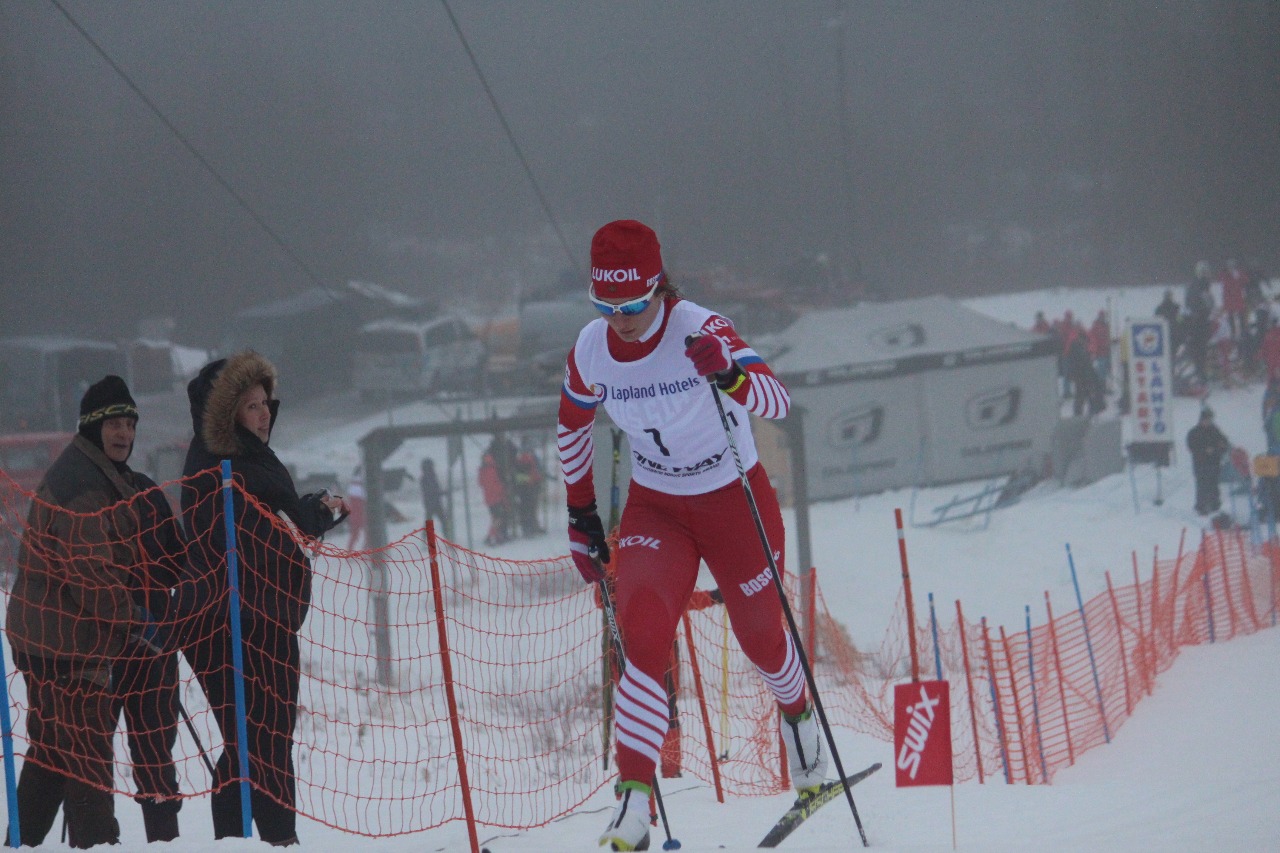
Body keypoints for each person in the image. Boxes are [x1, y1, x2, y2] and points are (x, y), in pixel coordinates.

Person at [559, 220, 827, 851]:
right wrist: (581, 515)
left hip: (733, 497)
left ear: (659, 288)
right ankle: (633, 802)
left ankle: (799, 719)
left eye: (633, 305)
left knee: (762, 635)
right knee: (644, 634)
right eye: (607, 306)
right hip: (658, 507)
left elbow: (779, 403)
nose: (621, 320)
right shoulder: (592, 349)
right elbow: (571, 427)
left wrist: (730, 373)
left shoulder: (699, 326)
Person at [176, 351, 345, 846]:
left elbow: (279, 517)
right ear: (228, 414)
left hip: (265, 619)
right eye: (251, 406)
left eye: (266, 402)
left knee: (256, 743)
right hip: (233, 622)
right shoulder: (217, 467)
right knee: (260, 744)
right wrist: (294, 540)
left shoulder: (249, 458)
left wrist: (314, 512)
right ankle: (275, 841)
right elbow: (249, 539)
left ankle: (242, 840)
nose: (265, 413)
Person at [3, 376, 174, 847]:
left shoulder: (94, 473)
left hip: (48, 639)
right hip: (67, 647)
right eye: (113, 424)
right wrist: (138, 621)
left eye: (129, 423)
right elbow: (92, 576)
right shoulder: (84, 486)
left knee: (55, 753)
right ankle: (97, 844)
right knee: (88, 763)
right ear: (92, 428)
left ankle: (23, 843)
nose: (123, 433)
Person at [1186, 407, 1230, 516]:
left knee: (1214, 485)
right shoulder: (1194, 432)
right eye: (1206, 419)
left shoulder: (1215, 431)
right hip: (1200, 464)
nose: (1208, 422)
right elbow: (1192, 447)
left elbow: (1224, 443)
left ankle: (1215, 506)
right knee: (1202, 485)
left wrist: (1219, 448)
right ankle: (1201, 507)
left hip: (1214, 463)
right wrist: (1204, 451)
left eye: (1210, 420)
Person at [512, 438, 546, 537]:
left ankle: (532, 527)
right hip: (526, 487)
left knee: (530, 508)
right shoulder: (524, 459)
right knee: (527, 508)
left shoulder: (528, 458)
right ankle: (528, 529)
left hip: (529, 486)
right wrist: (533, 480)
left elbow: (534, 472)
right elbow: (521, 475)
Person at [419, 457, 448, 533]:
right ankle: (446, 538)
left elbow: (433, 490)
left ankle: (447, 538)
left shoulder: (430, 476)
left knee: (437, 522)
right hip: (431, 503)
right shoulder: (426, 478)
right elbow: (431, 491)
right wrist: (442, 493)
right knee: (440, 522)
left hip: (433, 503)